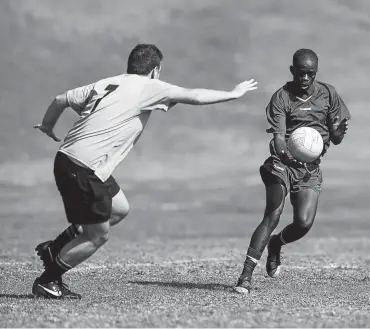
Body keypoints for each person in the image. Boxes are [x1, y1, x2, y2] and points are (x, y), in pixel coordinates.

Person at [32, 44, 258, 299]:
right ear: (156, 70)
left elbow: (60, 99)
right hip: (84, 167)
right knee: (98, 235)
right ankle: (48, 280)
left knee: (118, 209)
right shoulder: (150, 87)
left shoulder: (107, 83)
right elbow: (194, 96)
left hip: (72, 160)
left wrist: (48, 126)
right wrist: (233, 93)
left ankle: (55, 248)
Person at [234, 48, 350, 294]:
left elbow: (337, 136)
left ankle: (276, 244)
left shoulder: (329, 94)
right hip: (282, 163)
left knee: (304, 223)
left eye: (310, 74)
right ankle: (245, 277)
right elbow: (278, 139)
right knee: (273, 214)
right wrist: (289, 157)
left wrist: (338, 132)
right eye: (301, 73)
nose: (305, 79)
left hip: (309, 169)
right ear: (292, 71)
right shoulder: (282, 97)